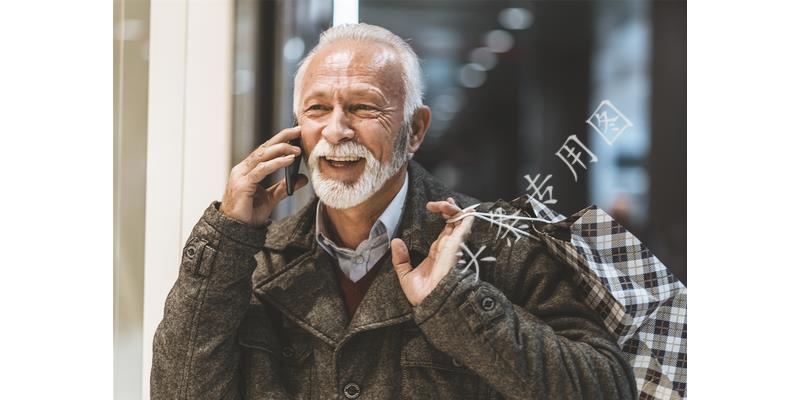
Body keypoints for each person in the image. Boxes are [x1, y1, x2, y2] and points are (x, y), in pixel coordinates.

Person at [151, 23, 636, 400]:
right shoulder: (256, 259)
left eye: (363, 108)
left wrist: (456, 305)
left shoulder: (496, 243)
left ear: (415, 130)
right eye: (317, 109)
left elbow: (606, 387)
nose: (337, 131)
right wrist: (229, 235)